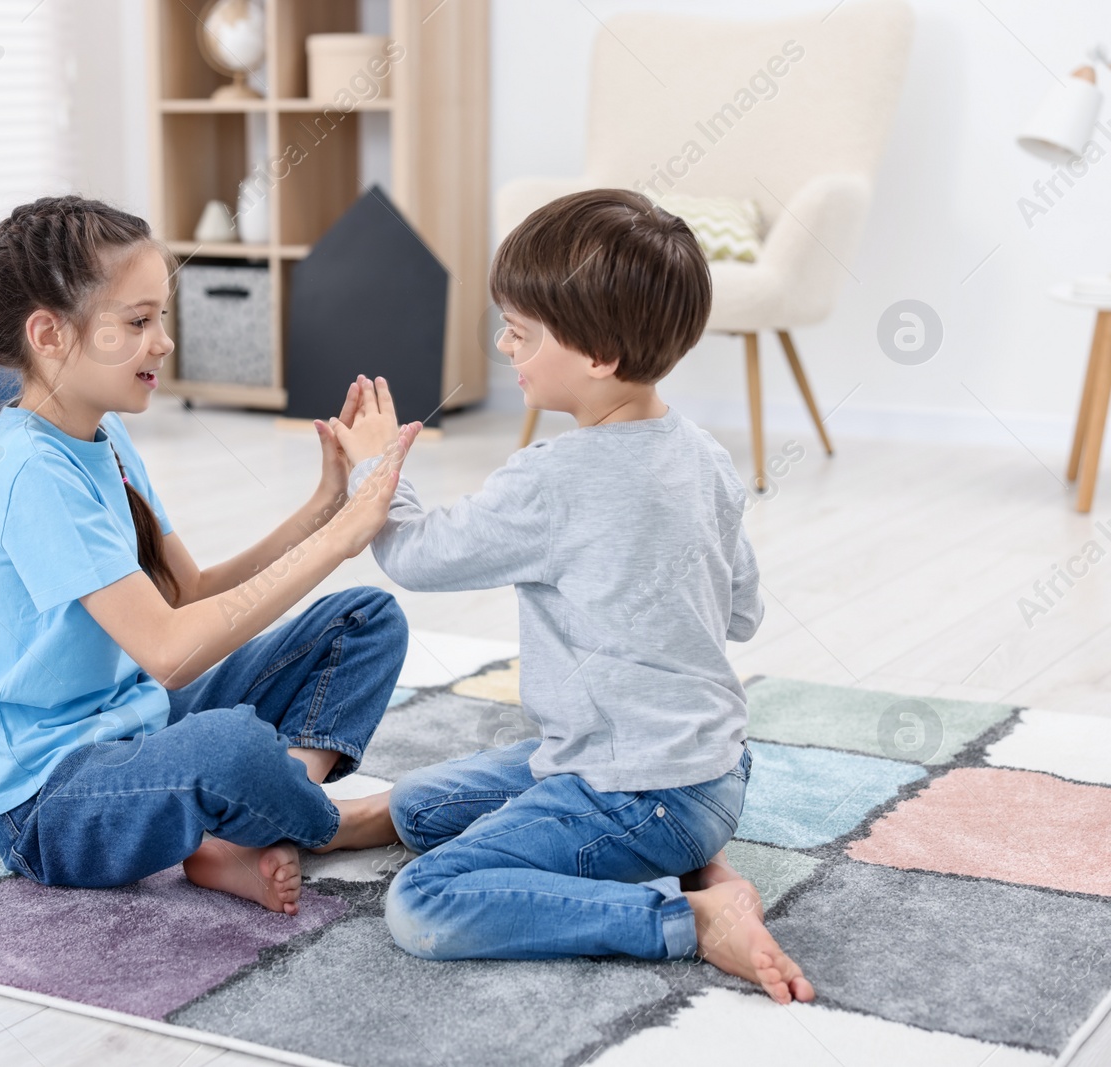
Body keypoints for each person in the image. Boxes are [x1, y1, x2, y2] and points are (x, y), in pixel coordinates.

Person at [328, 189, 815, 1003]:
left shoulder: (553, 479)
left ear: (597, 355)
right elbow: (743, 613)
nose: (503, 343)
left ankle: (688, 917)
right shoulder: (706, 455)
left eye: (520, 331)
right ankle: (706, 859)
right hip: (712, 773)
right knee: (421, 803)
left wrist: (377, 466)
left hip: (633, 788)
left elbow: (413, 554)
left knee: (425, 901)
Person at [0, 195, 418, 915]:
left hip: (140, 722)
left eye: (162, 318)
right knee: (228, 749)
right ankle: (327, 823)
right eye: (138, 321)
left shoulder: (105, 438)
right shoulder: (29, 472)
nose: (164, 342)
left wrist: (324, 510)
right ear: (50, 333)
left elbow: (188, 594)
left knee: (365, 620)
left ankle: (245, 831)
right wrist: (342, 538)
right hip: (50, 802)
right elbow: (171, 650)